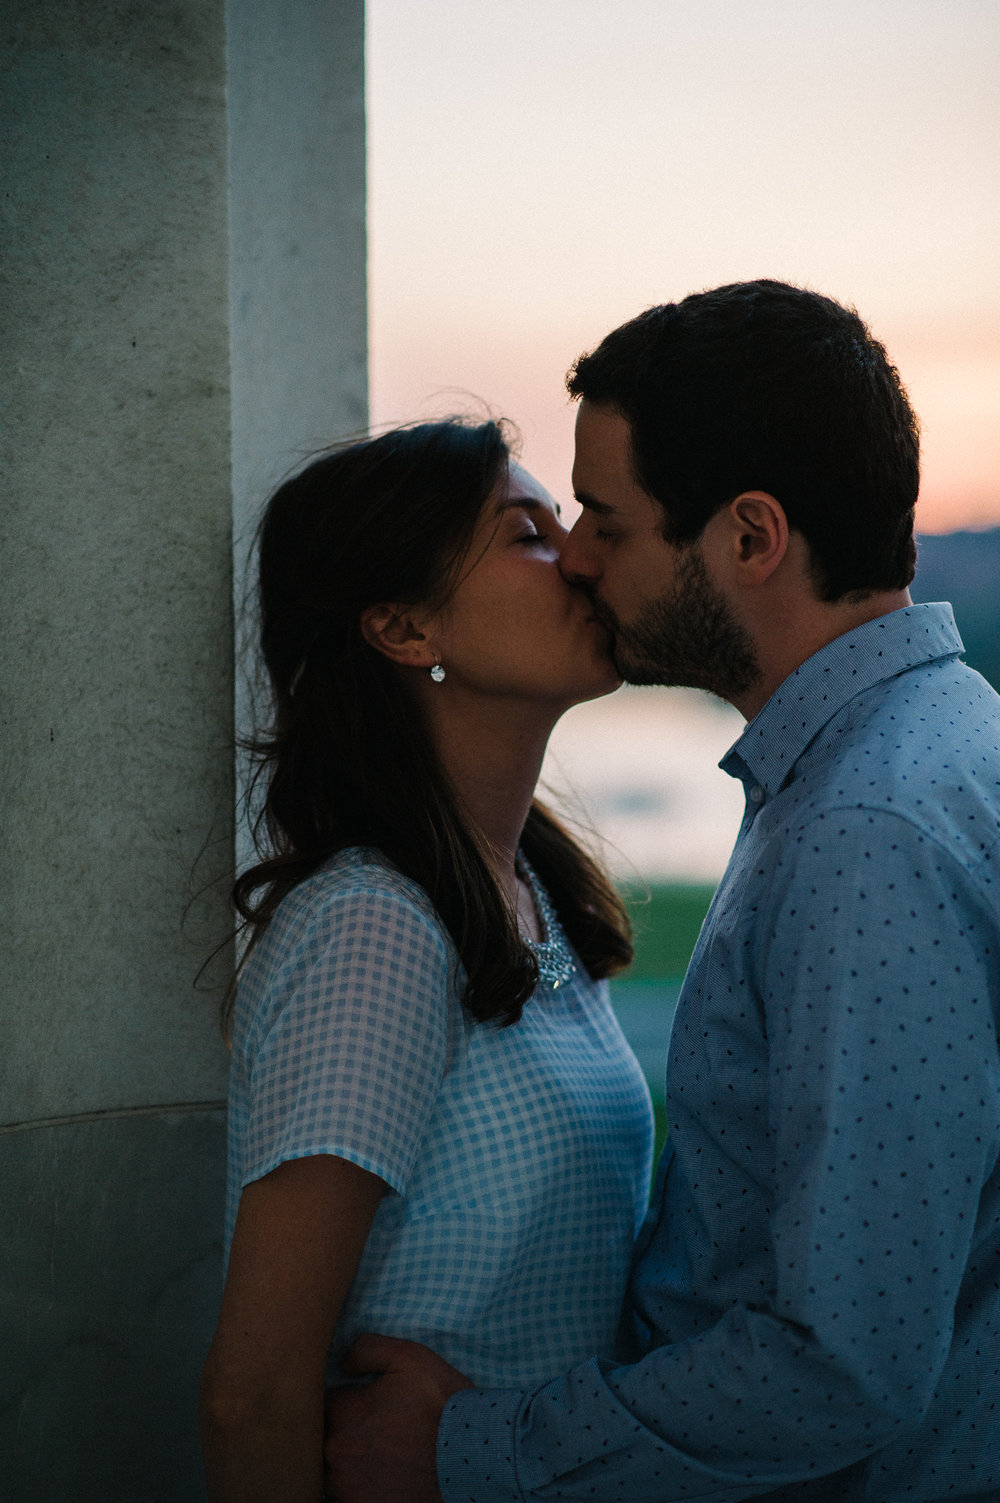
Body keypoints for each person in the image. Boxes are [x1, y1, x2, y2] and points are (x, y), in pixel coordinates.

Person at [324, 281, 1000, 1502]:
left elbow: (840, 1364)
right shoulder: (921, 748)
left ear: (749, 538)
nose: (577, 558)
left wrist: (463, 1450)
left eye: (604, 518)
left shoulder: (866, 829)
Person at [198, 419, 656, 1502]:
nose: (580, 555)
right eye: (527, 535)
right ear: (404, 627)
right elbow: (252, 1396)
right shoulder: (376, 931)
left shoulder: (527, 896)